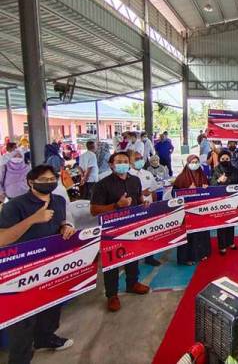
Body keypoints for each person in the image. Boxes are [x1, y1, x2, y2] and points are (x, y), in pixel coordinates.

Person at [0, 165, 76, 363]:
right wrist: (32, 220)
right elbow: (2, 239)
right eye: (43, 180)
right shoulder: (14, 206)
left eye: (52, 178)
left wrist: (66, 226)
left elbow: (61, 222)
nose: (49, 182)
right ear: (30, 182)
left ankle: (45, 338)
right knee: (23, 322)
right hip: (22, 270)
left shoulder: (58, 200)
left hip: (51, 264)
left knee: (51, 308)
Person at [90, 152, 150, 312]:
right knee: (112, 262)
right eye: (119, 161)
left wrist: (143, 204)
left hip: (132, 225)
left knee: (133, 256)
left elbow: (138, 199)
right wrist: (117, 206)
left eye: (125, 161)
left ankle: (132, 283)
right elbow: (94, 210)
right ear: (111, 165)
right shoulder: (102, 185)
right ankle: (112, 295)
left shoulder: (135, 181)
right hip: (112, 229)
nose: (122, 164)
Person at [174, 155, 210, 266]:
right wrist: (187, 191)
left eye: (196, 162)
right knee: (189, 235)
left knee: (201, 233)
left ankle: (201, 254)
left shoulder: (202, 175)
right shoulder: (181, 177)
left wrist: (206, 188)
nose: (194, 164)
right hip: (187, 212)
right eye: (192, 162)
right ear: (188, 163)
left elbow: (210, 192)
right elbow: (174, 194)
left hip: (200, 210)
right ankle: (186, 258)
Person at [129, 151, 162, 266]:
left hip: (149, 208)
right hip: (135, 210)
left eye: (141, 158)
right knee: (136, 235)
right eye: (136, 159)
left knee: (149, 233)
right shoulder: (128, 175)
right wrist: (141, 193)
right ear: (130, 161)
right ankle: (134, 259)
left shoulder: (147, 173)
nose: (139, 161)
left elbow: (153, 190)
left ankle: (150, 257)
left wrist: (155, 205)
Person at [210, 150, 238, 255]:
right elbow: (211, 185)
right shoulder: (215, 170)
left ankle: (230, 242)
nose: (225, 160)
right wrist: (219, 181)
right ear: (219, 160)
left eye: (227, 159)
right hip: (220, 201)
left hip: (233, 200)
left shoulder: (235, 170)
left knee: (231, 222)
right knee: (221, 224)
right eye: (223, 159)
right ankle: (222, 246)